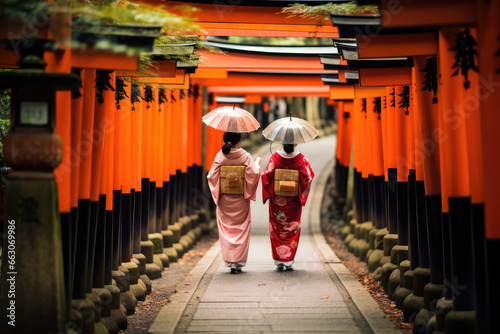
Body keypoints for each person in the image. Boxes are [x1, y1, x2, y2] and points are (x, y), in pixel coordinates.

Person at [207, 132, 261, 274]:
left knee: (226, 228)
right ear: (239, 140)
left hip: (225, 197)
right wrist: (257, 164)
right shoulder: (245, 156)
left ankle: (230, 260)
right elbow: (254, 173)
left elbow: (211, 175)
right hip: (240, 197)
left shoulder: (220, 156)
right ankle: (239, 261)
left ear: (225, 140)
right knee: (241, 227)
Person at [262, 142, 314, 270]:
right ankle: (289, 260)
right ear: (295, 142)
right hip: (293, 201)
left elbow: (266, 176)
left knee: (277, 226)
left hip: (277, 200)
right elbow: (309, 177)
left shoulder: (275, 157)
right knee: (292, 226)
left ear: (281, 142)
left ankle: (278, 260)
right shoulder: (302, 159)